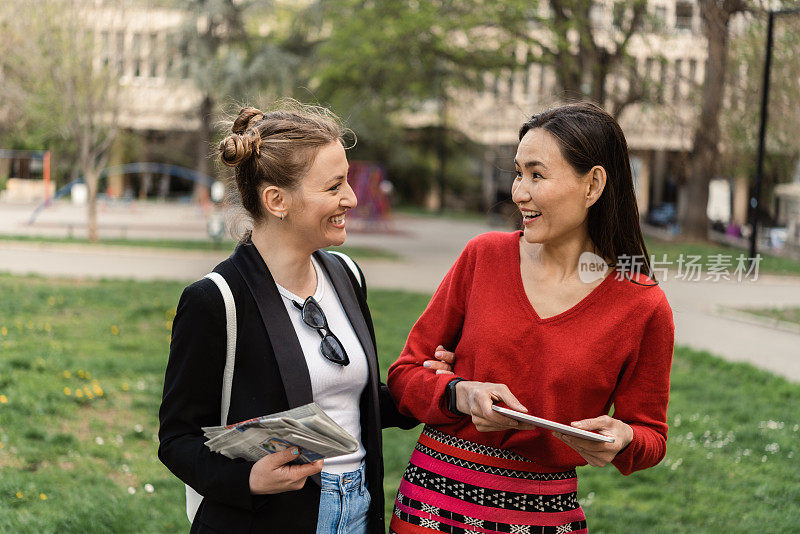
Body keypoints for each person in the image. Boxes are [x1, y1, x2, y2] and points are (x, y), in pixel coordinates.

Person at [158, 101, 450, 534]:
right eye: (334, 187)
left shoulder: (346, 275)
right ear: (277, 200)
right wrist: (247, 480)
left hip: (358, 508)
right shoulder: (214, 300)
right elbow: (177, 439)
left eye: (346, 181)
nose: (350, 198)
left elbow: (355, 404)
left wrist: (426, 388)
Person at [387, 102, 675, 534]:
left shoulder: (643, 305)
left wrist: (624, 438)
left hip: (544, 518)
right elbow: (404, 376)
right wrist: (460, 392)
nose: (519, 191)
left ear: (593, 185)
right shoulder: (482, 257)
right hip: (431, 508)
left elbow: (651, 436)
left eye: (537, 175)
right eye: (518, 173)